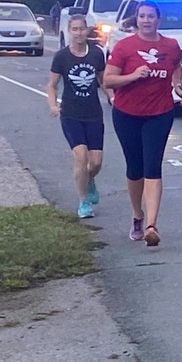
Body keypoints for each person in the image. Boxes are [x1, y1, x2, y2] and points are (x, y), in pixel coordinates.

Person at [103, 0, 182, 246]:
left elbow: (177, 66)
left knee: (153, 166)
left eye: (151, 16)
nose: (146, 20)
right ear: (136, 20)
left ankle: (151, 225)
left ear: (158, 20)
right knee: (135, 168)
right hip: (127, 113)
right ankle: (137, 215)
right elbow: (108, 80)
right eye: (142, 16)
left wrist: (177, 86)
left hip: (159, 113)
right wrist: (133, 76)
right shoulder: (125, 46)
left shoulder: (170, 45)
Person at [47, 14, 107, 218]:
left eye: (82, 29)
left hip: (94, 114)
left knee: (96, 162)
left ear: (87, 30)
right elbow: (52, 86)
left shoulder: (97, 54)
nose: (79, 33)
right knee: (81, 156)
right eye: (75, 29)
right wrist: (53, 106)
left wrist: (114, 98)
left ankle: (88, 180)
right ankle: (83, 202)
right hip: (71, 114)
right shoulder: (62, 57)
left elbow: (103, 80)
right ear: (69, 31)